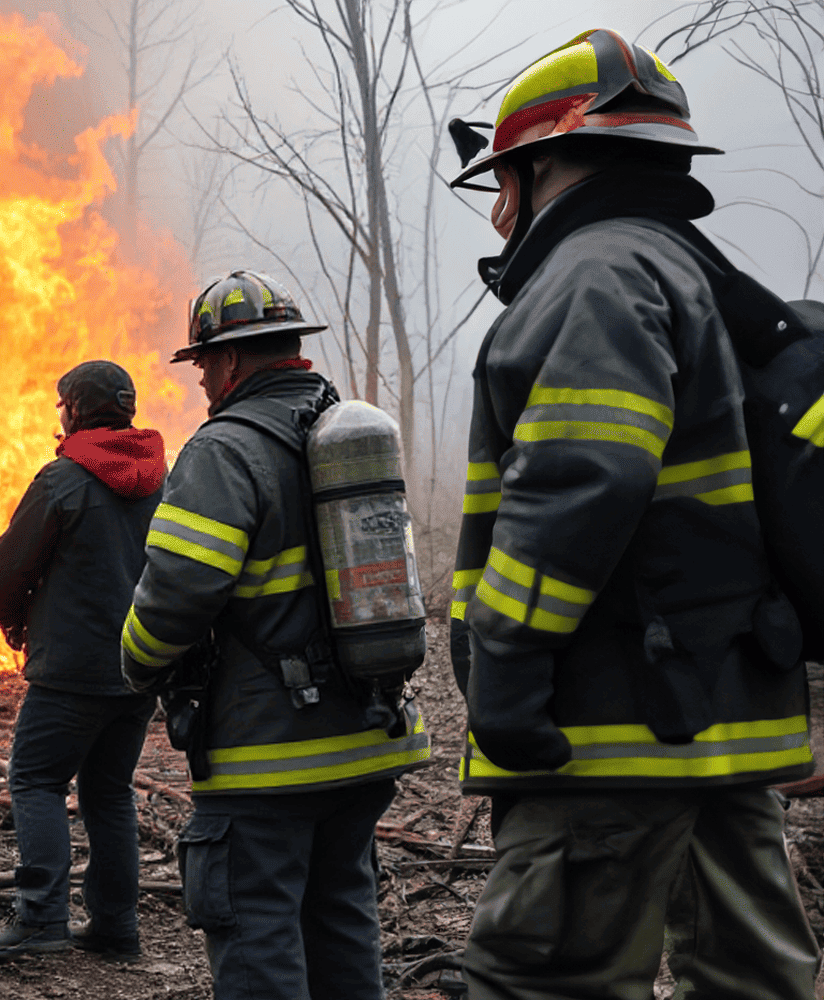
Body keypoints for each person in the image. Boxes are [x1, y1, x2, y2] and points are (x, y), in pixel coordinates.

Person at [443, 28, 818, 998]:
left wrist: (509, 663)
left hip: (609, 730)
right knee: (750, 981)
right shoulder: (698, 275)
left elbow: (583, 477)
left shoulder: (595, 273)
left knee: (542, 979)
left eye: (504, 180)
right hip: (713, 732)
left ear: (545, 164)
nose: (497, 213)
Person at [120, 270, 430, 1000]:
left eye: (202, 366)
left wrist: (136, 661)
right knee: (341, 918)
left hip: (271, 754)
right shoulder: (342, 431)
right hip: (368, 735)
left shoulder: (224, 450)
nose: (202, 383)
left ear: (228, 362)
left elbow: (179, 590)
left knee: (257, 929)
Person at [0, 360, 167, 962]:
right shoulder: (165, 480)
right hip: (138, 668)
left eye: (62, 405)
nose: (59, 415)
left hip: (70, 674)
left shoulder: (63, 479)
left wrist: (10, 621)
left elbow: (10, 567)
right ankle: (114, 926)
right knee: (109, 792)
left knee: (35, 779)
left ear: (76, 411)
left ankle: (41, 920)